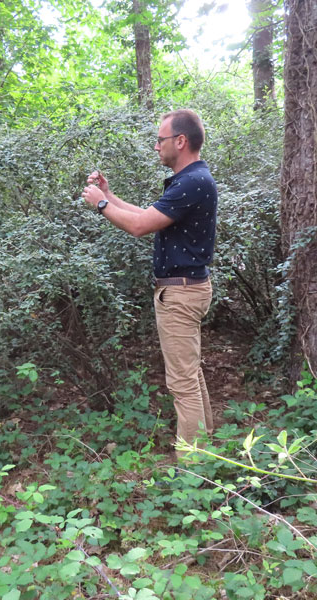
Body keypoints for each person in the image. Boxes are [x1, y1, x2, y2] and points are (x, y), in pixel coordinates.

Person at [81, 109, 218, 458]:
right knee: (190, 373)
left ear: (180, 141)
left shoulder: (192, 181)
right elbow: (148, 216)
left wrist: (99, 205)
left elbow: (139, 226)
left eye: (160, 139)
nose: (156, 146)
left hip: (181, 293)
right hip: (188, 288)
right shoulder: (192, 181)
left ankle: (193, 466)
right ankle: (208, 448)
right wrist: (109, 196)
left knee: (182, 382)